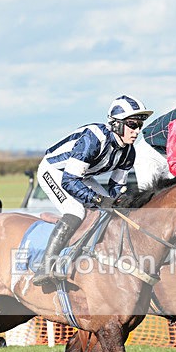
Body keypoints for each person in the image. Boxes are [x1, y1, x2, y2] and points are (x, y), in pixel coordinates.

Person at [32, 95, 153, 286]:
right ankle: (45, 266)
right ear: (116, 124)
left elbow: (116, 189)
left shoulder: (129, 151)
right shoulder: (94, 139)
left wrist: (119, 203)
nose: (137, 130)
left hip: (82, 175)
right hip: (55, 171)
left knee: (111, 210)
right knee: (75, 211)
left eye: (139, 125)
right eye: (132, 124)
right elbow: (69, 180)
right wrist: (98, 201)